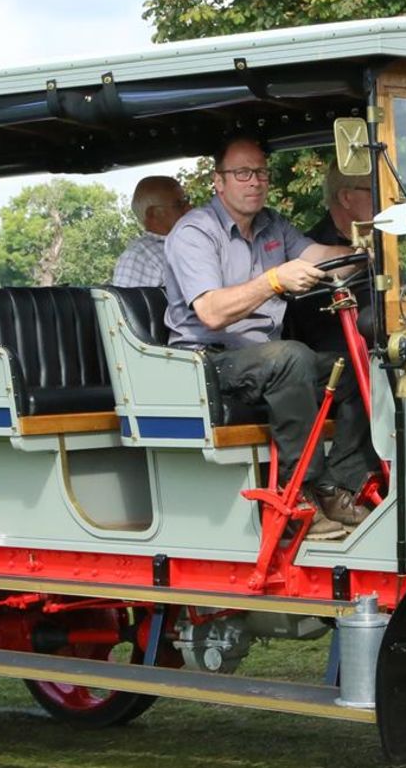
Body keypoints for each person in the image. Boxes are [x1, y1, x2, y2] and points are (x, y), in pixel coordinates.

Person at [162, 134, 378, 540]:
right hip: (205, 364)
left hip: (263, 360)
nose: (255, 181)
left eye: (260, 172)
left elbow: (322, 259)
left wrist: (373, 246)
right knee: (292, 357)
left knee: (354, 366)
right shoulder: (194, 232)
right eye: (242, 173)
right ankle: (304, 494)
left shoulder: (273, 224)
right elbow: (210, 312)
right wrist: (274, 280)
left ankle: (346, 484)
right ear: (218, 181)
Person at [110, 176, 194, 287]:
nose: (189, 208)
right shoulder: (140, 257)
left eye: (186, 201)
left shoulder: (194, 242)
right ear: (153, 214)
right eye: (179, 204)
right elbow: (133, 304)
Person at [307, 165, 375, 247]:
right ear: (345, 198)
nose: (384, 199)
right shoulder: (312, 250)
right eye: (376, 190)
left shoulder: (390, 236)